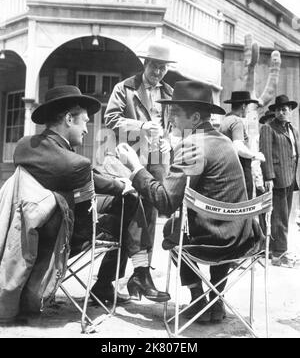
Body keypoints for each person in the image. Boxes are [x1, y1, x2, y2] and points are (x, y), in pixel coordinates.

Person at [116, 81, 265, 323]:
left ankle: (198, 299)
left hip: (217, 243)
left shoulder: (192, 145)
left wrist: (134, 166)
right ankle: (216, 301)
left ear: (194, 117)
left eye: (175, 113)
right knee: (198, 224)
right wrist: (164, 157)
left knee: (171, 228)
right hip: (244, 236)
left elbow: (165, 202)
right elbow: (182, 186)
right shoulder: (222, 141)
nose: (170, 118)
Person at [13, 85, 141, 305]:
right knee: (131, 201)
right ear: (69, 120)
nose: (87, 130)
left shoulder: (24, 147)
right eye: (85, 122)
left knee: (123, 200)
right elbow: (82, 171)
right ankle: (115, 279)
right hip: (64, 235)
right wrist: (122, 186)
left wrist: (114, 183)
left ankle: (132, 271)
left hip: (32, 228)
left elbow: (78, 171)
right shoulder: (75, 162)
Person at [96, 41, 175, 302]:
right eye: (155, 66)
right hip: (127, 159)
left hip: (156, 161)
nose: (159, 72)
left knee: (148, 219)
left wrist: (167, 140)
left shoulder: (169, 92)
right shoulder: (126, 88)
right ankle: (132, 277)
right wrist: (141, 126)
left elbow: (169, 127)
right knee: (130, 213)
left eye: (163, 68)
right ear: (145, 64)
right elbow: (111, 120)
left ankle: (131, 278)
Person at [259, 95, 300, 268]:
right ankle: (279, 253)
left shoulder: (292, 129)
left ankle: (277, 250)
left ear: (290, 111)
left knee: (284, 214)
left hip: (290, 176)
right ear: (274, 112)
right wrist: (268, 177)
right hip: (277, 178)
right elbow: (265, 153)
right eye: (278, 110)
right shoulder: (269, 128)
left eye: (284, 110)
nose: (281, 112)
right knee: (279, 217)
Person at [220, 91, 265, 199]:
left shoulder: (225, 120)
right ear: (244, 106)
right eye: (248, 106)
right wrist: (255, 155)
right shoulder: (237, 122)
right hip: (240, 169)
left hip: (227, 168)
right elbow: (238, 147)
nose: (248, 110)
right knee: (244, 204)